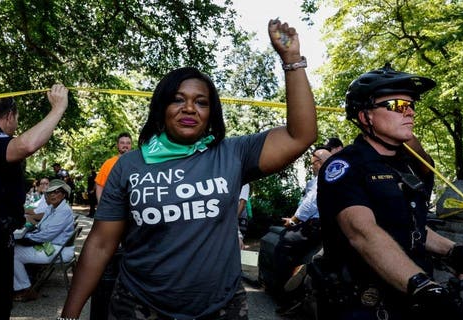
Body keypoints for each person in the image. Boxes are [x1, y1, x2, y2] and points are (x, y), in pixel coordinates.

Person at [60, 18, 317, 319]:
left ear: (211, 113)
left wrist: (292, 61)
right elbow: (101, 244)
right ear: (161, 108)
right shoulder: (130, 165)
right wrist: (69, 314)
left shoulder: (232, 153)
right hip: (139, 307)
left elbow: (301, 135)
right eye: (178, 99)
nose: (190, 108)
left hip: (221, 309)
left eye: (201, 102)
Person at [316, 64, 463, 319]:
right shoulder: (345, 166)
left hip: (411, 302)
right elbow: (363, 233)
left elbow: (407, 224)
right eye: (396, 105)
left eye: (411, 105)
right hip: (364, 307)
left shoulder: (407, 165)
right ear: (365, 116)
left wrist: (453, 250)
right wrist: (423, 286)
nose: (409, 112)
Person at [0, 84, 68, 319]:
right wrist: (58, 108)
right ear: (9, 116)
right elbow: (26, 145)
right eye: (16, 119)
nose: (16, 125)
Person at [272, 146, 331, 301]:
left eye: (312, 163)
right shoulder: (338, 175)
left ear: (319, 162)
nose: (312, 167)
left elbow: (310, 204)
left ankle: (284, 292)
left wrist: (293, 220)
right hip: (329, 226)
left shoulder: (324, 177)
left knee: (285, 241)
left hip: (316, 225)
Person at [13, 179, 75, 302]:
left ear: (64, 195)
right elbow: (41, 227)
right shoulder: (52, 208)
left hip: (56, 250)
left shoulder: (63, 211)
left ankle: (26, 289)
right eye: (50, 192)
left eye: (56, 192)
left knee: (13, 253)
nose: (52, 195)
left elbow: (45, 236)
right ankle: (23, 283)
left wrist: (23, 238)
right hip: (51, 246)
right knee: (15, 248)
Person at [94, 132, 132, 202]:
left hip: (131, 206)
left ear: (131, 145)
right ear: (117, 145)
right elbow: (99, 186)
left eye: (128, 143)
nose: (125, 145)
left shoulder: (136, 163)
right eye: (122, 143)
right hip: (113, 205)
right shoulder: (108, 163)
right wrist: (101, 205)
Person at [237, 183, 250, 249]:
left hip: (240, 217)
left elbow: (243, 203)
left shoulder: (245, 184)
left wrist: (234, 218)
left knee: (239, 241)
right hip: (232, 217)